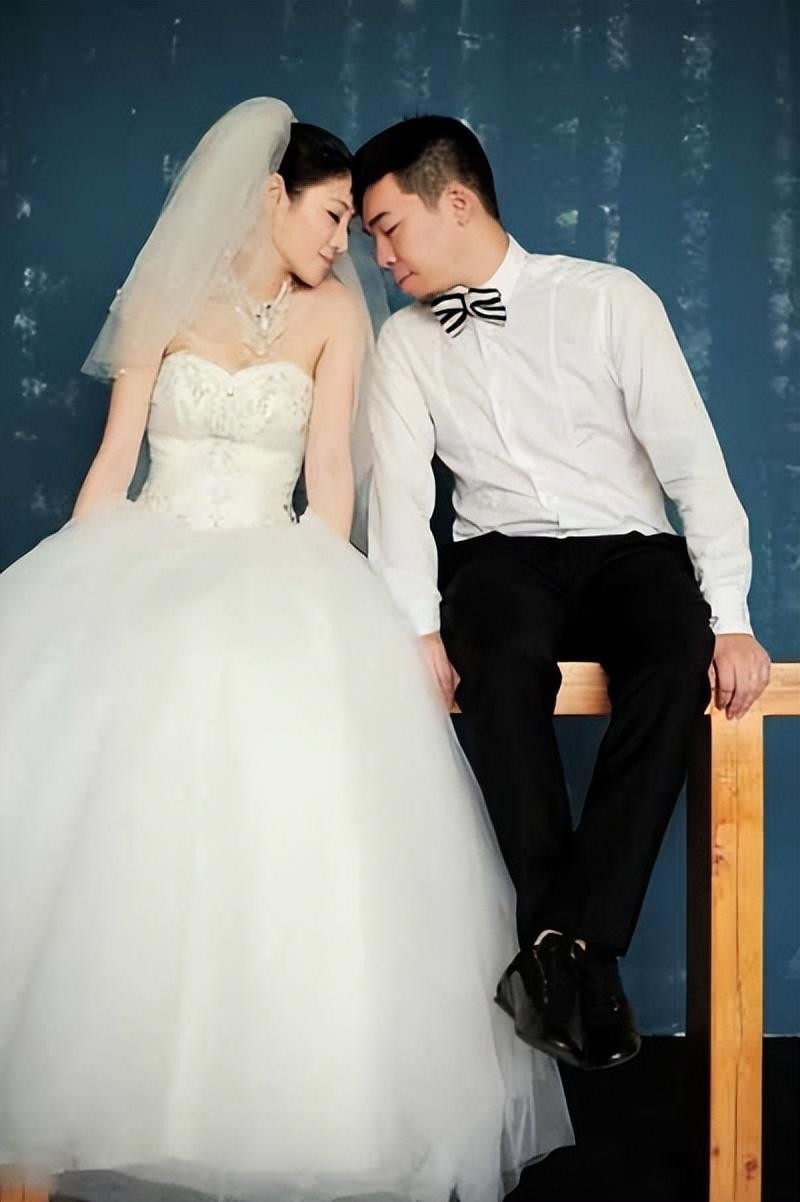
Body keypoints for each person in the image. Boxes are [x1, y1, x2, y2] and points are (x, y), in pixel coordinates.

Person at [0, 99, 572, 1202]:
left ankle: (270, 1101)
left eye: (356, 224)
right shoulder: (163, 299)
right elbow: (113, 466)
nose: (344, 241)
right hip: (149, 542)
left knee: (277, 766)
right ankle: (70, 1098)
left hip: (272, 554)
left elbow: (332, 482)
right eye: (330, 215)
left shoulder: (337, 318)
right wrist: (76, 583)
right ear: (271, 195)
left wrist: (323, 595)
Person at [353, 115, 771, 1072]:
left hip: (628, 549)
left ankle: (567, 943)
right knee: (496, 664)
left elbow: (694, 465)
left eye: (389, 228)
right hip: (500, 556)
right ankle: (567, 948)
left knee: (675, 657)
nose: (379, 257)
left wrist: (733, 618)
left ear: (457, 203)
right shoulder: (405, 345)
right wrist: (417, 629)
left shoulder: (608, 299)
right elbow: (402, 502)